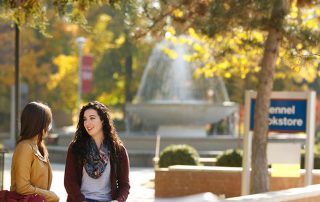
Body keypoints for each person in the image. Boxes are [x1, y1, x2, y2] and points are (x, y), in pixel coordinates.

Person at [64, 101, 130, 202]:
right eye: (84, 119)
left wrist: (118, 200)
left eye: (92, 118)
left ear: (103, 120)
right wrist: (80, 200)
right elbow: (69, 182)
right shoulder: (75, 148)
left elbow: (124, 185)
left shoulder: (118, 150)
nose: (87, 123)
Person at [10, 101, 60, 202]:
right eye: (48, 123)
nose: (49, 128)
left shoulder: (39, 147)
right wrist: (51, 196)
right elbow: (23, 187)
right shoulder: (25, 148)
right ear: (39, 124)